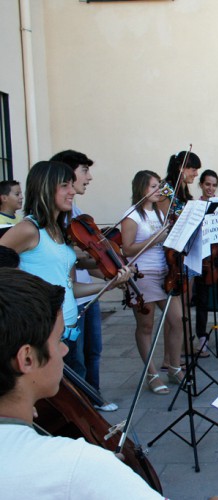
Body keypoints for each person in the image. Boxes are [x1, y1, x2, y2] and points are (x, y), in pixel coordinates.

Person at [0, 268, 165, 499]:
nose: (65, 349)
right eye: (58, 340)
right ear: (27, 359)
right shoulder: (76, 465)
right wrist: (98, 472)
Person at [0, 161, 131, 381]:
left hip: (69, 329)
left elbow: (69, 288)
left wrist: (110, 284)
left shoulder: (59, 231)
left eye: (72, 184)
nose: (72, 191)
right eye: (64, 185)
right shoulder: (28, 229)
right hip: (44, 335)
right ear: (45, 188)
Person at [49, 149, 116, 411]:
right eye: (84, 171)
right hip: (71, 299)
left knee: (93, 351)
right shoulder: (49, 221)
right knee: (74, 358)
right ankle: (81, 407)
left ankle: (94, 396)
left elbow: (86, 256)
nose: (89, 178)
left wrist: (111, 269)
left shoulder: (75, 211)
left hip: (85, 292)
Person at [121, 170, 184, 394]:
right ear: (141, 189)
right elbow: (126, 249)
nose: (158, 190)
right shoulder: (132, 216)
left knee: (178, 320)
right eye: (153, 187)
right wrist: (152, 240)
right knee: (146, 326)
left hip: (164, 273)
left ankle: (174, 367)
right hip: (142, 274)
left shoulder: (160, 212)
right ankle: (152, 374)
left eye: (159, 185)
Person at [193, 170, 218, 353]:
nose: (211, 188)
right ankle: (201, 336)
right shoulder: (195, 206)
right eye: (207, 184)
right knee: (202, 299)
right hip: (204, 257)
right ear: (201, 184)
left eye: (214, 185)